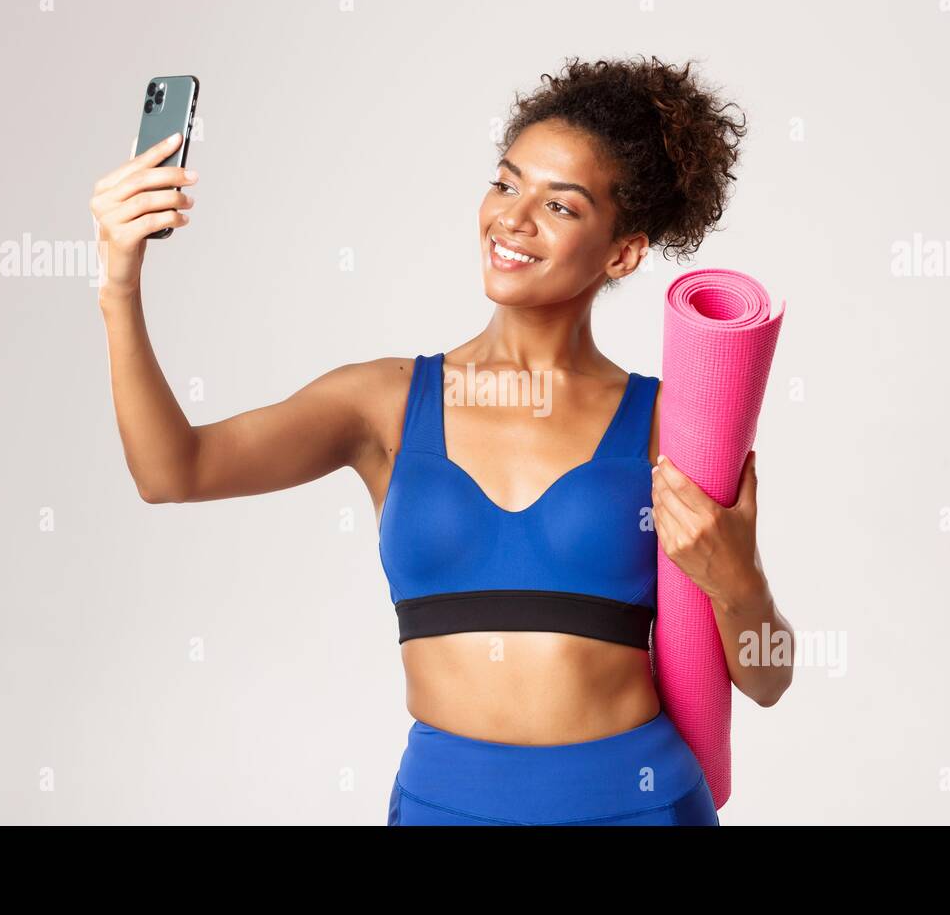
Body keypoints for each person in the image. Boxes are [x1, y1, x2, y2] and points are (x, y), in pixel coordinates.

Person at [88, 54, 794, 826]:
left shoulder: (668, 425)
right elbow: (171, 470)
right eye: (505, 182)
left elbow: (767, 680)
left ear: (622, 252)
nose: (513, 220)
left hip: (638, 804)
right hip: (444, 806)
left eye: (561, 208)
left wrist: (740, 581)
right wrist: (120, 284)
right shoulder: (383, 402)